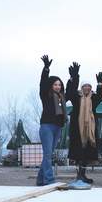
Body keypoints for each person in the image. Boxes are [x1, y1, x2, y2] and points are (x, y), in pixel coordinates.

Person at [65, 62, 102, 184]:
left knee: (86, 154)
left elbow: (101, 96)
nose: (87, 88)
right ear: (81, 88)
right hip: (77, 130)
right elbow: (70, 91)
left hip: (90, 131)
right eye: (85, 86)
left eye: (89, 86)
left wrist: (99, 83)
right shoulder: (76, 97)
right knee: (78, 154)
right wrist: (75, 76)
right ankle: (79, 176)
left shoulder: (93, 98)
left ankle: (83, 175)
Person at [37, 55, 67, 186]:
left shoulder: (62, 98)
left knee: (48, 155)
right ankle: (49, 179)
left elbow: (70, 89)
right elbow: (43, 83)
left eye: (59, 84)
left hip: (58, 127)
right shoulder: (45, 95)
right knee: (48, 154)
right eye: (55, 84)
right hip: (47, 127)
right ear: (51, 85)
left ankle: (40, 179)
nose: (58, 86)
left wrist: (74, 78)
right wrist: (46, 69)